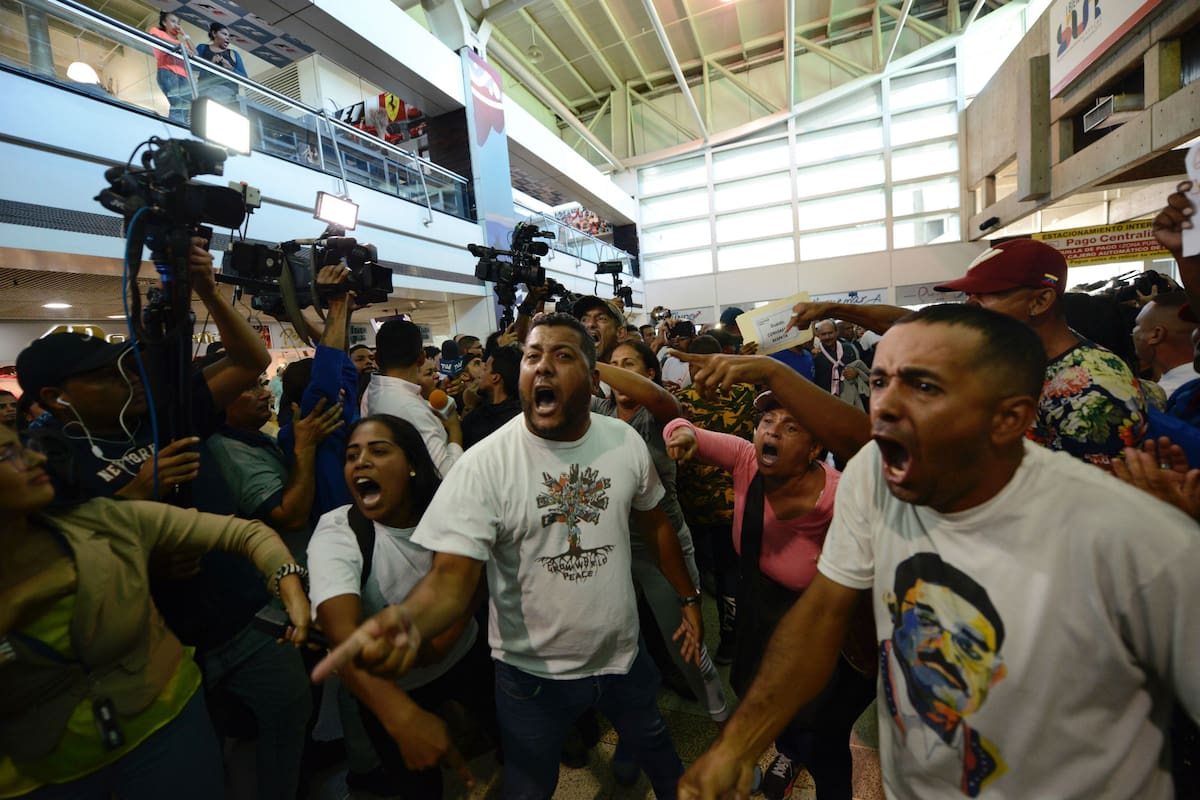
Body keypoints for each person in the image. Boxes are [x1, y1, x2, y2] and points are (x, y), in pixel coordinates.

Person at [679, 304, 1200, 800]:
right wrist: (740, 744)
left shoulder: (1139, 542)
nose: (884, 409)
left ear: (1008, 418)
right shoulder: (871, 476)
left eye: (925, 386)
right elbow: (819, 616)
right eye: (880, 382)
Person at [314, 313, 704, 800]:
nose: (542, 367)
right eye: (532, 356)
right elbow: (451, 579)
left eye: (562, 356)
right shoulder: (482, 465)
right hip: (530, 680)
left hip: (623, 657)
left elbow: (655, 522)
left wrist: (689, 598)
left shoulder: (622, 441)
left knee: (656, 745)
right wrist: (410, 618)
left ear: (592, 376)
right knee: (528, 784)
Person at [0, 425, 311, 799]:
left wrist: (286, 578)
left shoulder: (96, 521)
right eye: (7, 455)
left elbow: (243, 534)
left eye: (24, 447)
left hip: (166, 725)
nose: (35, 459)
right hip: (42, 775)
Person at [665, 390, 874, 800]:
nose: (771, 431)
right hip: (761, 611)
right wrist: (683, 435)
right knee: (773, 704)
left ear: (815, 447)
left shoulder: (838, 495)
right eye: (767, 422)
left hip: (821, 627)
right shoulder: (746, 462)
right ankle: (788, 751)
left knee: (824, 737)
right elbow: (681, 426)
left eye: (790, 426)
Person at [790, 239, 1149, 470]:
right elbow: (910, 321)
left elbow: (1095, 501)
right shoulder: (999, 351)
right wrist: (830, 309)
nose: (971, 306)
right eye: (969, 296)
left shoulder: (1096, 383)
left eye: (986, 295)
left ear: (1040, 300)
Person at [308, 415, 497, 797]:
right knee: (417, 786)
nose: (361, 461)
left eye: (379, 450)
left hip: (469, 658)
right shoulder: (338, 534)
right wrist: (400, 715)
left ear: (412, 464)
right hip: (396, 688)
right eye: (352, 455)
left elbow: (475, 576)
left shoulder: (450, 509)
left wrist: (444, 641)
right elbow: (340, 630)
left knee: (502, 736)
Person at [361, 319, 462, 478]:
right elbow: (448, 474)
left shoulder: (372, 391)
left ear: (377, 358)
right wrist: (454, 428)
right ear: (421, 358)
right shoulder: (410, 409)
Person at [462, 345, 522, 450]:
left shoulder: (476, 422)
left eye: (485, 369)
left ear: (495, 378)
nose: (480, 375)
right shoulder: (525, 416)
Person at [147, 12, 196, 123]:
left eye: (178, 23)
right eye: (173, 21)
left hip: (183, 77)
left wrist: (184, 35)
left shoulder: (181, 42)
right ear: (164, 22)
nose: (176, 25)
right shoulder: (157, 31)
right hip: (167, 71)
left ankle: (181, 129)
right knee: (177, 103)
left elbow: (195, 54)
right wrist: (179, 47)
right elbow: (156, 40)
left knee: (187, 106)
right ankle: (175, 129)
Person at [194, 23, 246, 106]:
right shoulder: (202, 48)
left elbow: (244, 78)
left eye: (229, 36)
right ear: (214, 34)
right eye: (224, 34)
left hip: (228, 95)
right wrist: (211, 63)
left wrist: (231, 68)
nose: (227, 38)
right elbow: (193, 68)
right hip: (205, 91)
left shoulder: (233, 53)